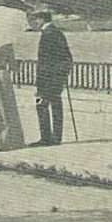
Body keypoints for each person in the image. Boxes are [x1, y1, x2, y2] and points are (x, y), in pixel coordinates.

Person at [29, 8, 73, 146]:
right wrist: (62, 74)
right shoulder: (57, 32)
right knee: (56, 105)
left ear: (42, 19)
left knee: (41, 105)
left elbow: (45, 61)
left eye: (36, 19)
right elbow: (67, 57)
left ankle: (46, 137)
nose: (35, 22)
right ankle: (56, 137)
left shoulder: (47, 34)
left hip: (47, 78)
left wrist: (41, 80)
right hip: (57, 77)